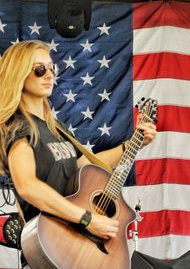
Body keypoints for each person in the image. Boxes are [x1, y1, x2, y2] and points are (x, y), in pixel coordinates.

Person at [0, 40, 157, 265]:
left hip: (76, 240)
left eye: (51, 68)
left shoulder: (55, 128)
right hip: (50, 246)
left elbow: (87, 166)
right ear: (19, 74)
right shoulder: (19, 127)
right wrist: (86, 219)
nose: (49, 75)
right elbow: (28, 186)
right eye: (39, 69)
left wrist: (133, 144)